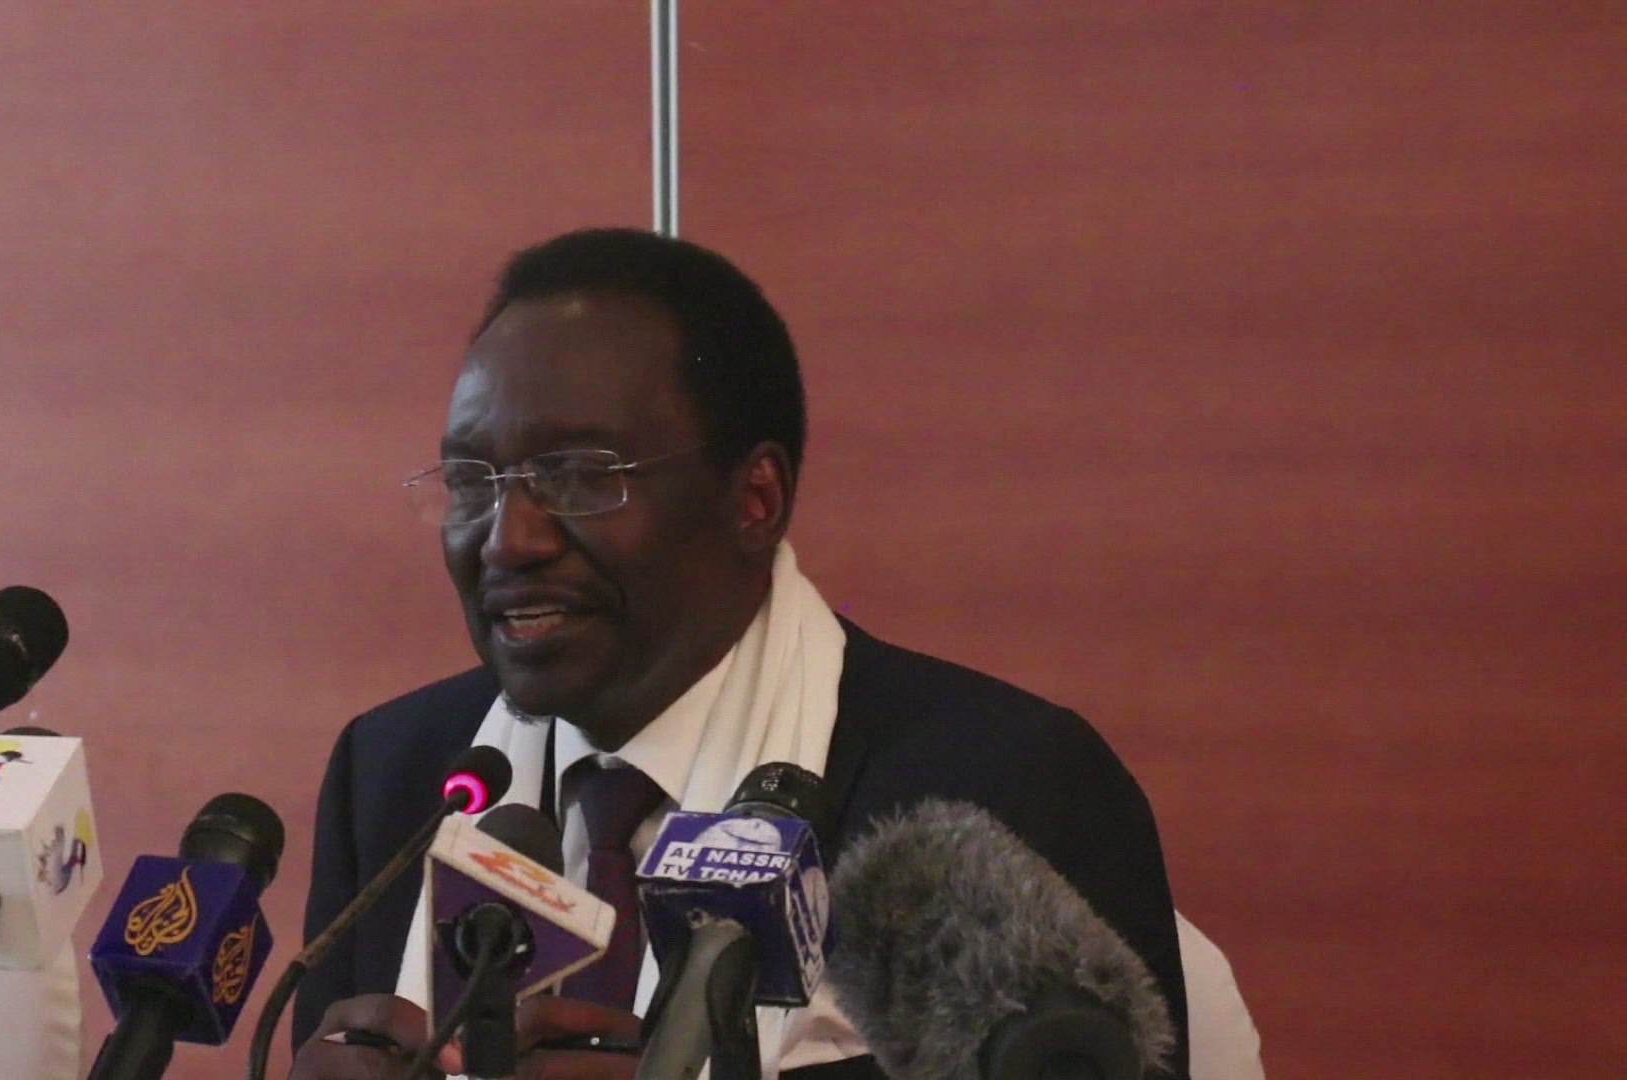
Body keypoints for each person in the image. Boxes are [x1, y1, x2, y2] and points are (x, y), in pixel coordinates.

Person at [293, 227, 1201, 1079]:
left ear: (755, 499)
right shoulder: (398, 774)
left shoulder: (998, 788)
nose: (508, 539)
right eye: (471, 482)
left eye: (579, 476)